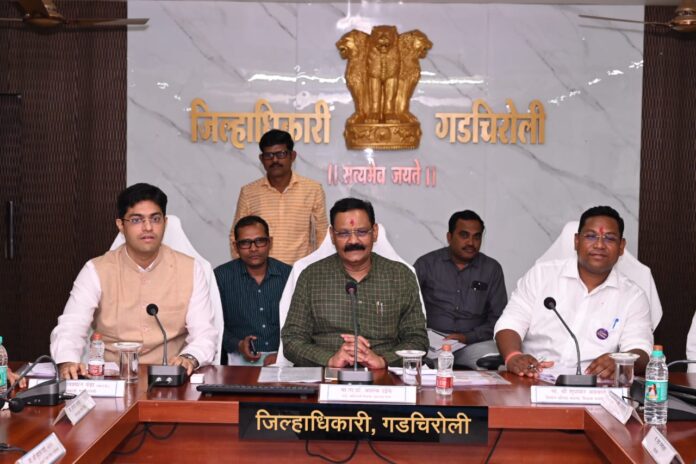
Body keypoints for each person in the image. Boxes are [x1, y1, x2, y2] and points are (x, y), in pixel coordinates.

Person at [50, 183, 218, 379]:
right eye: (137, 220)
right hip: (112, 378)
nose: (148, 227)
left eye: (155, 219)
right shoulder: (96, 270)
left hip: (170, 377)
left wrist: (189, 357)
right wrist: (67, 361)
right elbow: (71, 325)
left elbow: (204, 333)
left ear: (165, 223)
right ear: (121, 225)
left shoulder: (191, 269)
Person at [494, 206, 653, 380]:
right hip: (532, 378)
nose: (599, 245)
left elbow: (641, 350)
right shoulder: (541, 276)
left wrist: (621, 361)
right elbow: (510, 323)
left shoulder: (633, 297)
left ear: (621, 247)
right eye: (591, 236)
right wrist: (514, 356)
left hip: (594, 385)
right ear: (576, 241)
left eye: (609, 238)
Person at [281, 198, 429, 368]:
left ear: (375, 232)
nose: (353, 241)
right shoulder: (311, 277)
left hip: (383, 375)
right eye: (344, 234)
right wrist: (329, 359)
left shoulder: (401, 276)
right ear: (332, 235)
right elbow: (292, 340)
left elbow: (417, 339)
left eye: (361, 232)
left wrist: (383, 360)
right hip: (325, 373)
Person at [415, 210, 507, 368]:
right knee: (419, 364)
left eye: (476, 237)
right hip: (432, 344)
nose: (471, 242)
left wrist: (467, 337)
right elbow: (407, 310)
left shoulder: (491, 269)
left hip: (472, 344)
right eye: (464, 235)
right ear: (449, 237)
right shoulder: (426, 265)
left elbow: (499, 318)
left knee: (495, 359)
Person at [231, 129, 328, 265]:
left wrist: (316, 270)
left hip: (299, 272)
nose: (275, 160)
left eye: (281, 154)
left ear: (292, 156)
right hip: (261, 273)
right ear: (261, 159)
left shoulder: (312, 189)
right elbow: (236, 236)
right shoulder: (249, 192)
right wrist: (244, 271)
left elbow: (322, 235)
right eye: (269, 155)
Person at [215, 215, 291, 366]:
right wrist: (238, 344)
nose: (253, 248)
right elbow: (213, 325)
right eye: (245, 243)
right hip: (237, 363)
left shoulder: (289, 275)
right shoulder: (221, 277)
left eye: (260, 241)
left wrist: (283, 354)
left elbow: (303, 325)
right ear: (235, 247)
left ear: (270, 242)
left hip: (285, 361)